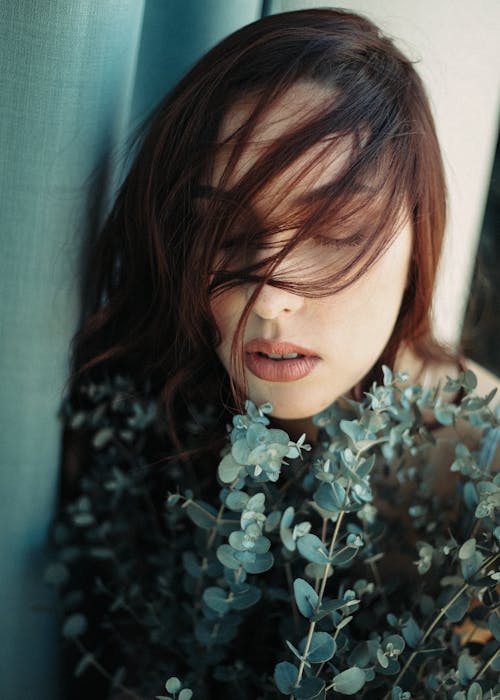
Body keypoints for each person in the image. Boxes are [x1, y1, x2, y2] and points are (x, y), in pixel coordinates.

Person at [60, 8, 499, 698]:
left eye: (333, 228)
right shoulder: (138, 416)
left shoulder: (487, 480)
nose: (269, 301)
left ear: (419, 235)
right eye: (222, 230)